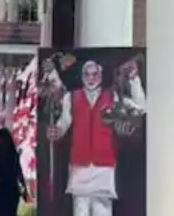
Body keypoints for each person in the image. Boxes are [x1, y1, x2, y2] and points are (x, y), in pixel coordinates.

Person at [44, 58, 146, 216]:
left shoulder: (112, 96)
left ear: (100, 75)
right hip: (79, 164)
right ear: (82, 76)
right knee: (80, 209)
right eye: (87, 74)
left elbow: (140, 107)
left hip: (104, 165)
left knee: (102, 209)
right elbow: (64, 121)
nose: (91, 78)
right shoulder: (71, 97)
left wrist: (134, 79)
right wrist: (58, 130)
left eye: (94, 74)